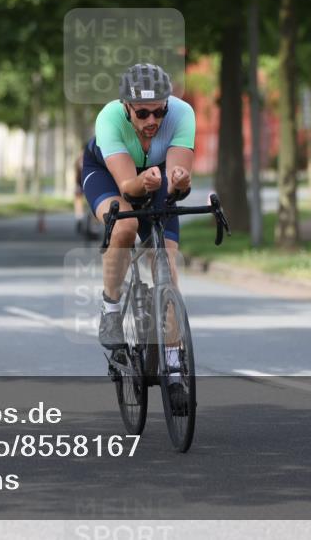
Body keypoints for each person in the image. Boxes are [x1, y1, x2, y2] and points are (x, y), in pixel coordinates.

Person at [81, 63, 195, 402]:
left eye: (159, 111)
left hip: (156, 175)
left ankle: (173, 365)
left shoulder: (183, 114)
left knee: (166, 264)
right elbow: (129, 188)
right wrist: (143, 182)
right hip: (110, 176)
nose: (152, 121)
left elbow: (178, 188)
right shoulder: (109, 118)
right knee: (126, 224)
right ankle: (111, 309)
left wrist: (179, 182)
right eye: (142, 113)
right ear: (126, 107)